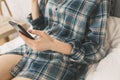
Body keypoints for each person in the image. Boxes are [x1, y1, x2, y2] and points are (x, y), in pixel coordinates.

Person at [0, 0, 110, 80]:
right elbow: (40, 26)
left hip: (61, 58)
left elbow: (97, 50)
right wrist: (34, 2)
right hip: (33, 47)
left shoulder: (98, 2)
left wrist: (53, 45)